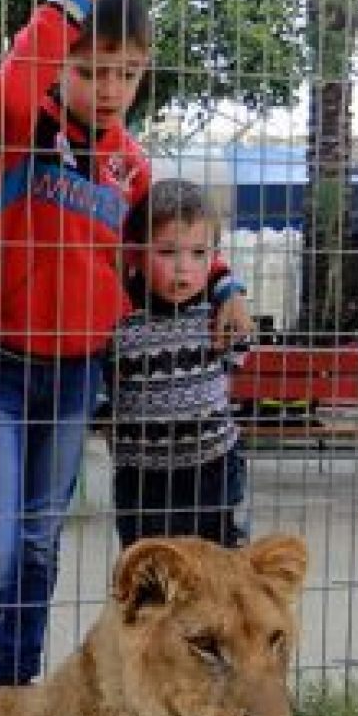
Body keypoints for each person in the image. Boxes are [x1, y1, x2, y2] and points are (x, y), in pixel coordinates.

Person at [0, 0, 253, 685]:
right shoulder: (21, 126)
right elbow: (14, 91)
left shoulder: (130, 165)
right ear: (60, 57)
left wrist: (228, 284)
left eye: (128, 72)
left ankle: (16, 684)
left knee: (35, 541)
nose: (111, 87)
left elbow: (177, 240)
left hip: (74, 374)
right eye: (90, 70)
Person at [108, 179, 246, 547]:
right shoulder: (121, 318)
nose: (184, 269)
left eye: (199, 254)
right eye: (167, 253)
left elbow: (234, 360)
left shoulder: (217, 316)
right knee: (148, 576)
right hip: (143, 479)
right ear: (137, 254)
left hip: (212, 468)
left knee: (214, 576)